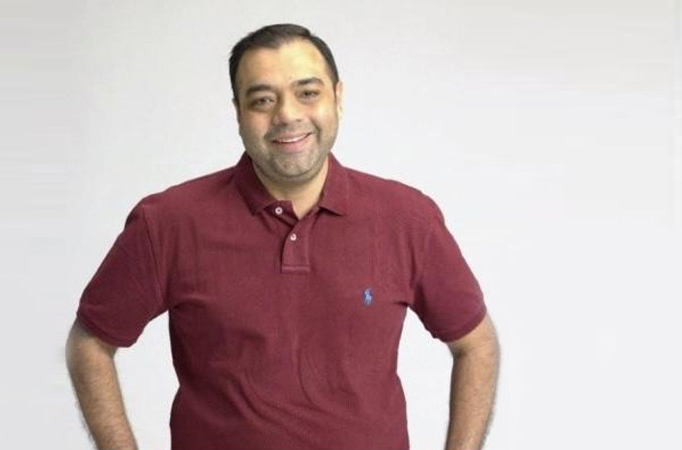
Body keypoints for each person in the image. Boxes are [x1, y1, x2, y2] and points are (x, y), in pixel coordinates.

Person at [65, 23, 500, 450]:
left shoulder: (407, 218)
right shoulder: (168, 222)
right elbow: (90, 343)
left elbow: (476, 345)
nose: (287, 115)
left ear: (338, 98)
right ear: (238, 112)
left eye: (307, 93)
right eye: (263, 100)